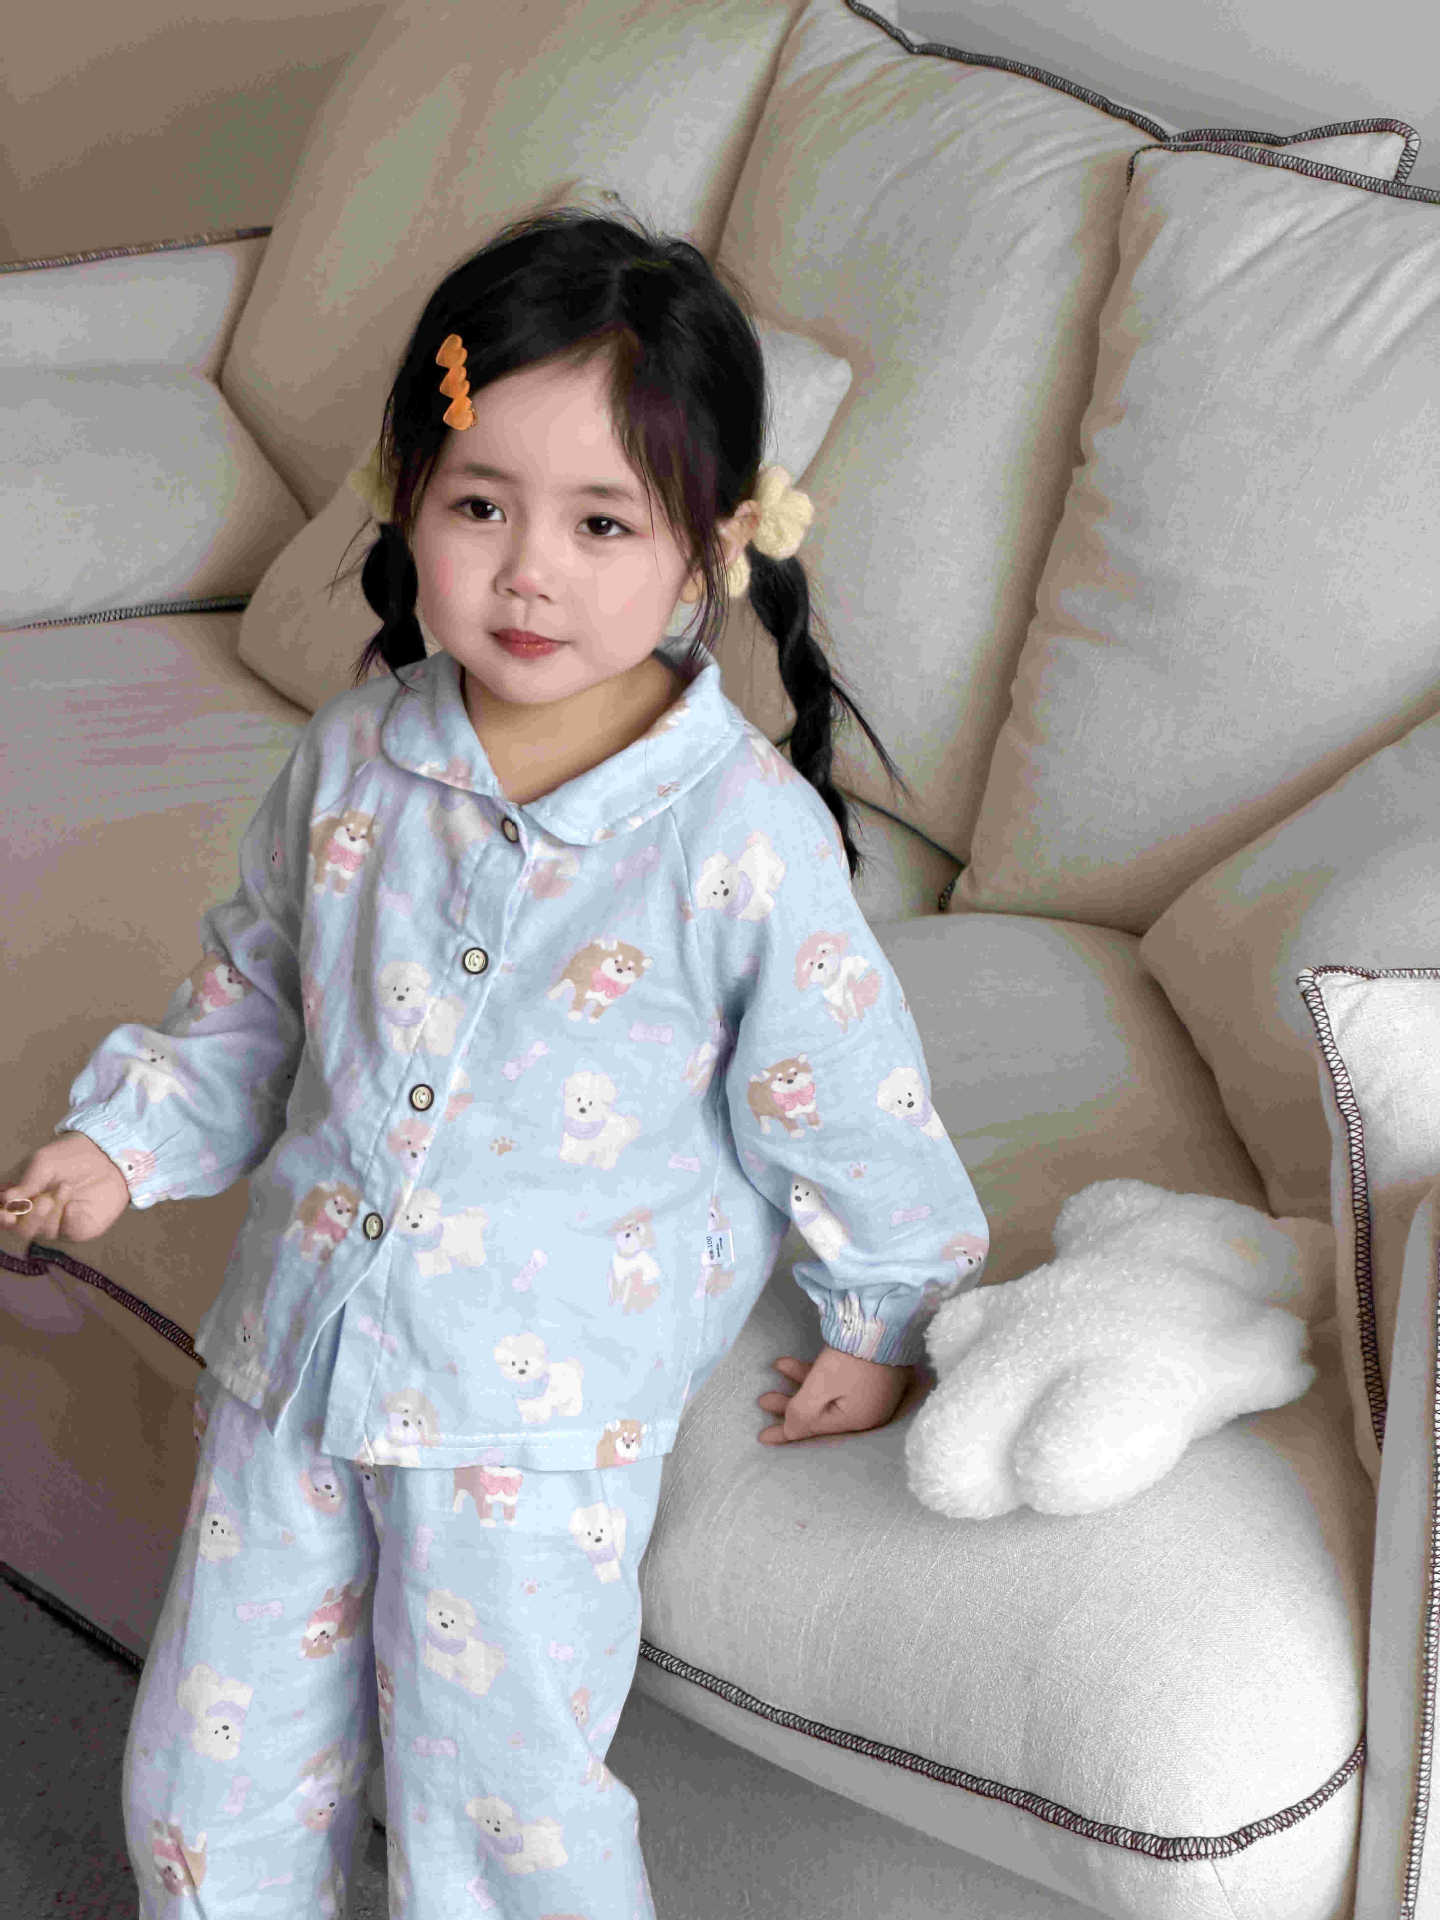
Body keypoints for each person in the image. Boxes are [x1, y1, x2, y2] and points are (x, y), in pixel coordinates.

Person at [0, 206, 989, 1919]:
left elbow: (841, 1086)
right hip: (295, 1364)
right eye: (481, 507)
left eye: (603, 522)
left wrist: (882, 1315)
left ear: (710, 549)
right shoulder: (353, 759)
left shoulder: (736, 837)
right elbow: (258, 1001)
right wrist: (123, 1144)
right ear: (407, 501)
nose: (531, 570)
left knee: (503, 1814)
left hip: (532, 1427)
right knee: (205, 1783)